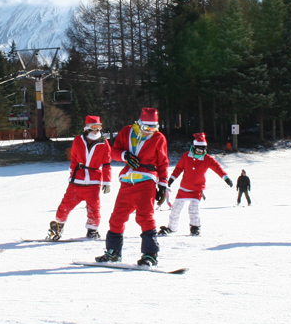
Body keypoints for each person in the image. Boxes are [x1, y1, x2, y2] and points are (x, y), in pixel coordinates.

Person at [96, 108, 168, 267]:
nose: (150, 132)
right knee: (117, 217)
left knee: (145, 217)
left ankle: (150, 254)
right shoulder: (126, 132)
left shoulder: (159, 138)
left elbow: (163, 164)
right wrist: (124, 156)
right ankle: (113, 252)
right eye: (147, 128)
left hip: (146, 181)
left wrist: (163, 185)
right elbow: (113, 153)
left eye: (154, 128)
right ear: (139, 123)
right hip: (127, 182)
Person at [49, 115, 112, 241]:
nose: (96, 130)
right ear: (87, 128)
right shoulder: (78, 140)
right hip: (77, 181)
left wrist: (107, 181)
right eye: (93, 127)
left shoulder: (104, 143)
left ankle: (92, 230)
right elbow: (74, 159)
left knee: (94, 207)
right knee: (65, 204)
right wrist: (72, 173)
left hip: (93, 182)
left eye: (98, 127)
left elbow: (106, 164)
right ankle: (58, 225)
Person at [159, 133, 232, 236]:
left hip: (197, 190)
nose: (200, 151)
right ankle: (171, 228)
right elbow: (178, 169)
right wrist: (170, 180)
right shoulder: (186, 156)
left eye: (202, 149)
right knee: (175, 209)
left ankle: (195, 227)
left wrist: (226, 178)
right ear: (193, 147)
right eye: (198, 149)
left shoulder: (207, 158)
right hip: (183, 189)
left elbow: (217, 168)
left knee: (193, 210)